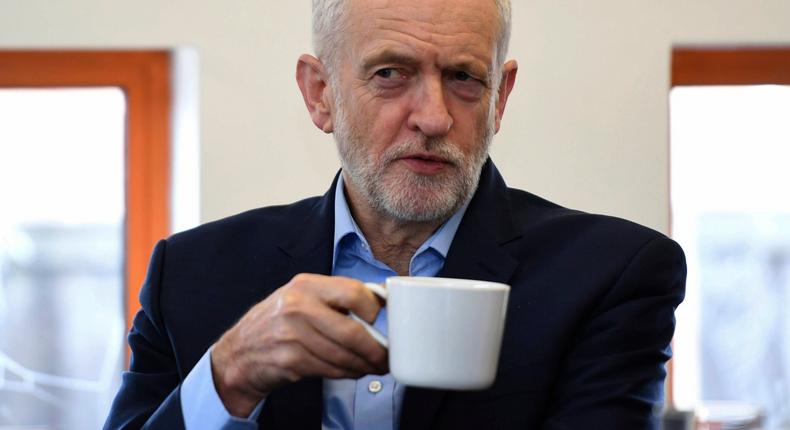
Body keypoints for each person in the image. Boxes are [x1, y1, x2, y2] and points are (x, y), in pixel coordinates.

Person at [104, 0, 686, 428]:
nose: (433, 117)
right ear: (320, 93)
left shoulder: (611, 275)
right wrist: (226, 377)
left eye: (463, 77)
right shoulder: (191, 274)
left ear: (500, 98)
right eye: (390, 74)